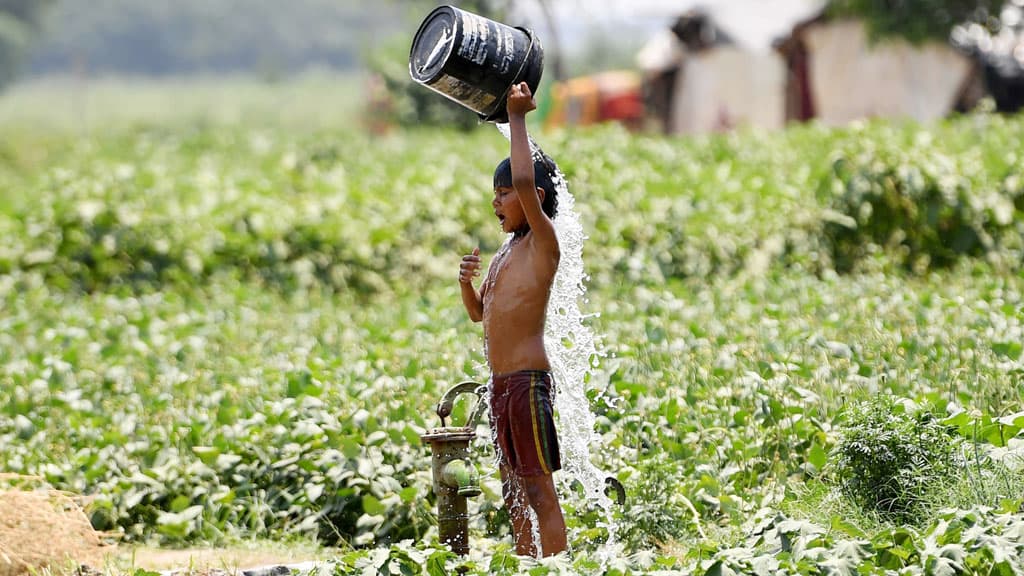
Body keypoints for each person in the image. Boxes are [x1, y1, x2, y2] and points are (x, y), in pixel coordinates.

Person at [457, 81, 567, 558]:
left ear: (535, 196)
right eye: (495, 194)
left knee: (539, 491)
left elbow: (526, 181)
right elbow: (481, 314)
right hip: (501, 387)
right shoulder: (506, 254)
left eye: (504, 193)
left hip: (526, 384)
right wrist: (466, 284)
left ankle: (558, 567)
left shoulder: (544, 244)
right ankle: (525, 566)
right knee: (514, 495)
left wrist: (517, 118)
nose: (497, 202)